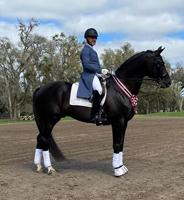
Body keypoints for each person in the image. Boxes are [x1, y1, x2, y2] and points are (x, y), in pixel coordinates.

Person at [77, 28, 109, 125]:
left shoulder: (92, 50)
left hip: (95, 74)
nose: (94, 39)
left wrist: (103, 71)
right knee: (99, 90)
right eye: (92, 37)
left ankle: (103, 112)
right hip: (89, 75)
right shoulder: (85, 50)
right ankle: (95, 116)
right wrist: (100, 70)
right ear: (86, 38)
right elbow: (87, 65)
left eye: (95, 38)